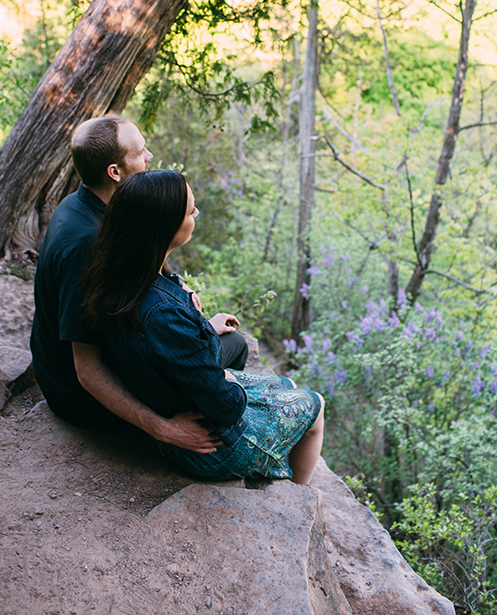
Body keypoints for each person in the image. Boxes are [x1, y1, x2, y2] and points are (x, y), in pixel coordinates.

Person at [82, 170, 325, 483]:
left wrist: (203, 328)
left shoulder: (116, 275)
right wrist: (223, 376)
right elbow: (227, 408)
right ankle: (297, 498)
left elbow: (163, 354)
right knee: (315, 406)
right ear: (164, 227)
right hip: (206, 446)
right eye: (190, 210)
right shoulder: (163, 313)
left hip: (173, 404)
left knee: (286, 387)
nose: (196, 214)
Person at [30, 115, 246, 453]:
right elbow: (87, 367)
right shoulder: (88, 244)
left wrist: (187, 308)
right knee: (236, 347)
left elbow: (138, 276)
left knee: (210, 343)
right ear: (114, 172)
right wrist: (164, 429)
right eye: (140, 152)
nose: (149, 157)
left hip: (95, 360)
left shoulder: (87, 202)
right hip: (76, 395)